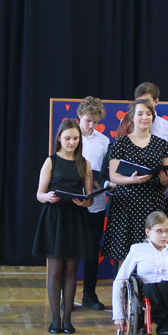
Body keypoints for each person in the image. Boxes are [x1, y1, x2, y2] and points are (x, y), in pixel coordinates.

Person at [34, 118, 97, 334]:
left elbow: (89, 197)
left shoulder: (84, 163)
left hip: (76, 217)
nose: (71, 142)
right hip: (55, 217)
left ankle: (68, 319)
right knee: (55, 270)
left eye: (75, 139)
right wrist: (48, 196)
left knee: (71, 270)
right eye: (68, 138)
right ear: (59, 138)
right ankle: (55, 319)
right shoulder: (51, 161)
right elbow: (39, 194)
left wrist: (86, 202)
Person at [101, 99, 168, 265]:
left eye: (148, 114)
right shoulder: (120, 144)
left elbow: (166, 175)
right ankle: (123, 282)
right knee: (124, 253)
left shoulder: (162, 144)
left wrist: (167, 181)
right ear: (132, 118)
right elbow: (113, 176)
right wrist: (131, 180)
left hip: (152, 202)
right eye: (140, 114)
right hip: (126, 203)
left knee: (154, 251)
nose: (144, 117)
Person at [112, 211, 168, 335]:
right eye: (159, 231)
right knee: (151, 287)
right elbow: (120, 281)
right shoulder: (137, 250)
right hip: (147, 290)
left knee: (164, 286)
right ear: (148, 232)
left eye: (167, 231)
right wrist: (119, 315)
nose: (164, 235)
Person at [76, 96, 110, 310]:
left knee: (91, 250)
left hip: (95, 202)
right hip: (73, 201)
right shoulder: (71, 137)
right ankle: (66, 295)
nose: (91, 125)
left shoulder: (103, 140)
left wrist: (102, 180)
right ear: (79, 116)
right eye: (88, 120)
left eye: (95, 122)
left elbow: (106, 170)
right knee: (69, 250)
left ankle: (89, 294)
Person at [134, 82, 168, 149]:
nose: (143, 104)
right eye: (140, 101)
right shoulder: (126, 122)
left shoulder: (167, 127)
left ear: (156, 102)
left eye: (147, 101)